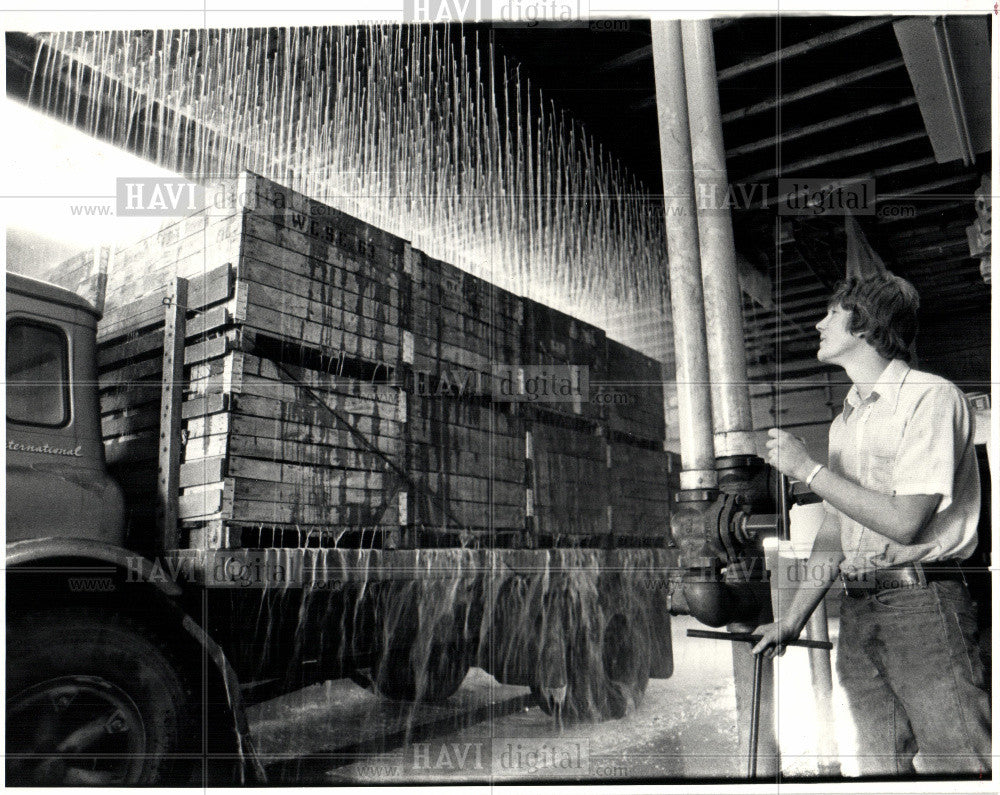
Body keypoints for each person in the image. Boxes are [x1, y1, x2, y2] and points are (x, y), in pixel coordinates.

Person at [752, 273, 991, 776]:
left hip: (923, 608)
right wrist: (792, 619)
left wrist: (808, 471)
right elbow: (837, 532)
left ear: (863, 325)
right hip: (859, 611)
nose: (818, 323)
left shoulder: (930, 397)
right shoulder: (846, 422)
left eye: (831, 314)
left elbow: (905, 523)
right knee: (881, 768)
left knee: (960, 763)